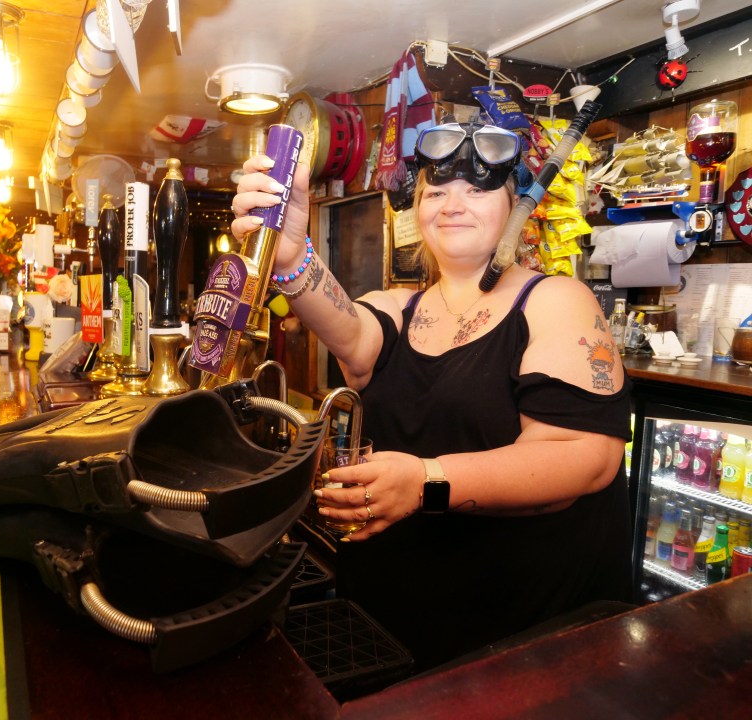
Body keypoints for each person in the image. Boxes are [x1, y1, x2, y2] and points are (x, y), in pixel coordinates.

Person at [229, 120, 633, 673]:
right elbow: (349, 335)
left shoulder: (557, 301)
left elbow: (585, 460)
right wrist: (288, 249)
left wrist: (425, 483)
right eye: (436, 191)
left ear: (516, 205)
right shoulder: (397, 308)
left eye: (477, 188)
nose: (452, 203)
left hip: (512, 638)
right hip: (388, 623)